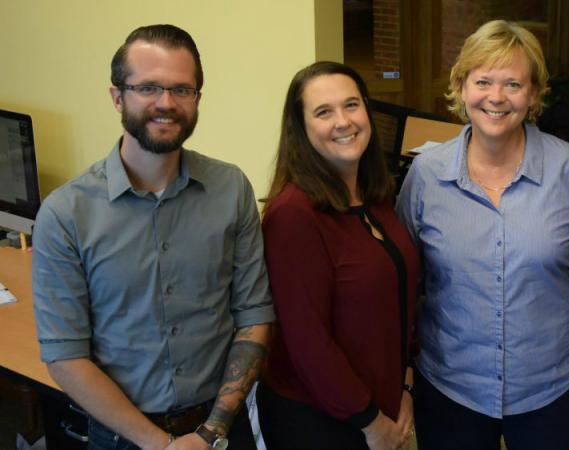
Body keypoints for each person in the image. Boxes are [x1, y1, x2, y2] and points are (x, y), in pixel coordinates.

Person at [32, 24, 272, 450]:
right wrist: (160, 444)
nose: (166, 103)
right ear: (117, 96)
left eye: (182, 89)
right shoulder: (65, 214)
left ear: (198, 98)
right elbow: (66, 357)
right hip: (123, 436)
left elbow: (253, 315)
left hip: (220, 431)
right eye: (148, 88)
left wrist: (209, 432)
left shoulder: (231, 189)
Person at [395, 20, 569, 450]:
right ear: (461, 88)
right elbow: (407, 276)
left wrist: (562, 328)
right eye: (482, 81)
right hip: (450, 385)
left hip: (551, 385)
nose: (496, 97)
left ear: (534, 94)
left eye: (513, 83)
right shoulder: (426, 175)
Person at [256, 61, 420, 450]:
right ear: (301, 128)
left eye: (352, 105)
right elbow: (307, 342)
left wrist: (405, 385)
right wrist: (369, 421)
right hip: (319, 421)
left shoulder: (376, 198)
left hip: (383, 402)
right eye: (324, 112)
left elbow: (400, 303)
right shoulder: (293, 215)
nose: (343, 121)